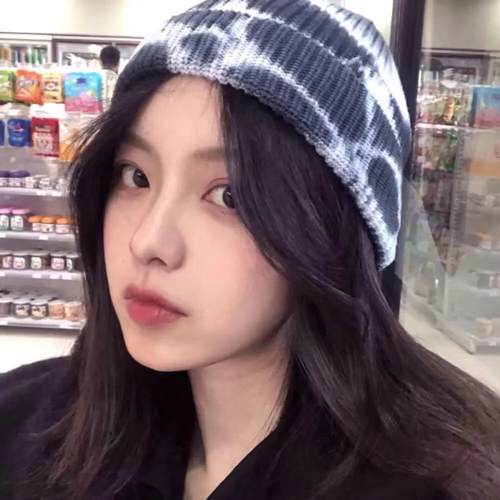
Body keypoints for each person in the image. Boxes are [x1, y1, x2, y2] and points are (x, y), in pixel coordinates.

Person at [1, 1, 500, 499]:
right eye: (136, 176)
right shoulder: (28, 424)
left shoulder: (438, 483)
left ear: (334, 233)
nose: (148, 241)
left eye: (231, 196)